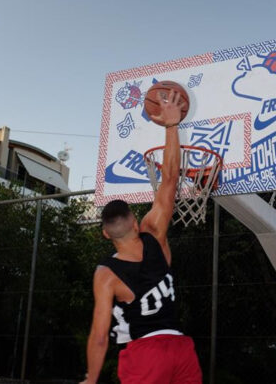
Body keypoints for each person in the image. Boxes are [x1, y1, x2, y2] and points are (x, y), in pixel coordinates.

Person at [81, 89, 202, 384]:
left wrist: (91, 379)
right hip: (181, 348)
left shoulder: (106, 274)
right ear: (135, 223)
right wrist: (172, 125)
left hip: (145, 352)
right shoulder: (154, 234)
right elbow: (171, 179)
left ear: (105, 233)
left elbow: (99, 335)